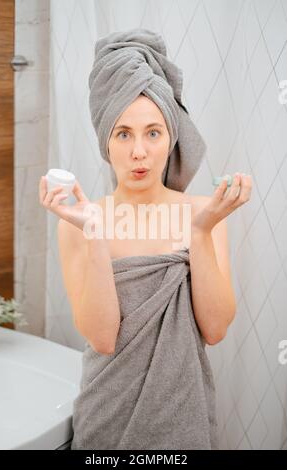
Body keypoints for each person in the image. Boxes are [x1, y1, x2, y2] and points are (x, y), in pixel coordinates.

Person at [39, 29, 252, 450]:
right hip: (107, 418)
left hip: (182, 419)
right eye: (124, 134)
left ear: (171, 137)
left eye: (153, 133)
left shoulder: (203, 215)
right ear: (106, 142)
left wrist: (200, 232)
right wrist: (96, 233)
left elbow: (215, 330)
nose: (139, 152)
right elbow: (102, 338)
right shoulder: (77, 223)